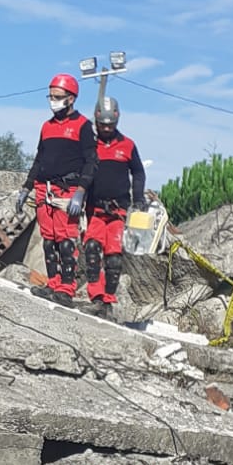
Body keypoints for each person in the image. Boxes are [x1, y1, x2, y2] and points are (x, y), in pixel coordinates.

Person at [17, 72, 97, 302]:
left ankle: (66, 288)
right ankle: (52, 283)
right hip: (44, 188)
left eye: (58, 96)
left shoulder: (83, 126)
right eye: (50, 96)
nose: (53, 101)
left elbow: (92, 162)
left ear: (71, 98)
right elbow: (39, 159)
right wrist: (26, 188)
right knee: (48, 239)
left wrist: (80, 193)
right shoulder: (47, 127)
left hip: (67, 191)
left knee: (65, 239)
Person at [83, 94, 146, 311]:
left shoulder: (128, 145)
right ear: (96, 121)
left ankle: (108, 302)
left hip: (119, 211)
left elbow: (138, 173)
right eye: (103, 125)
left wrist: (138, 200)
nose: (107, 128)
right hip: (95, 209)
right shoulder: (90, 146)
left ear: (117, 121)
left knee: (114, 258)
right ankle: (96, 297)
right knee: (91, 249)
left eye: (111, 125)